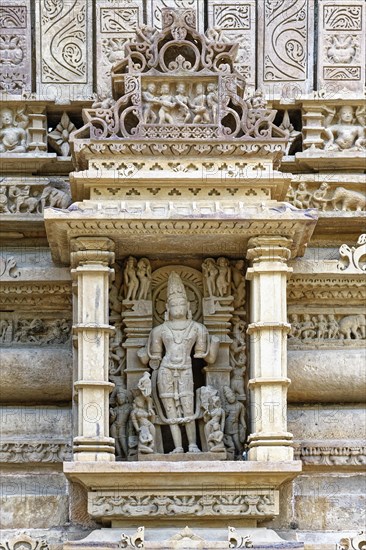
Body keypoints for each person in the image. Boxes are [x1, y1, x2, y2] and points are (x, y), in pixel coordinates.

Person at [138, 272, 218, 454]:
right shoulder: (159, 330)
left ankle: (193, 445)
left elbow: (208, 358)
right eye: (174, 304)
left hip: (186, 370)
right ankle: (178, 447)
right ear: (167, 307)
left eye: (182, 304)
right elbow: (154, 360)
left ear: (189, 305)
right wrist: (145, 363)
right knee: (170, 409)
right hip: (165, 371)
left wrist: (214, 345)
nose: (178, 308)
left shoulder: (198, 328)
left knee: (188, 407)